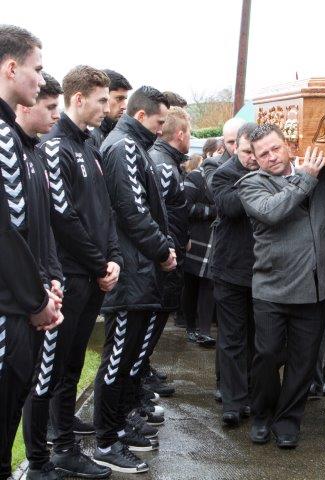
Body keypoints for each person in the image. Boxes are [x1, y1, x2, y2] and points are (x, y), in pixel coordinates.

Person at [24, 65, 122, 480]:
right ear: (78, 99)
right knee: (54, 368)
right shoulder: (56, 147)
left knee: (70, 364)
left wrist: (112, 256)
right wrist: (100, 264)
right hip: (70, 276)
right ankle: (54, 449)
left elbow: (103, 210)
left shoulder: (89, 147)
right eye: (102, 100)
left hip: (94, 275)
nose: (106, 108)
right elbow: (62, 217)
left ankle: (64, 443)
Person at [93, 86, 174, 474]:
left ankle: (119, 428)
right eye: (159, 122)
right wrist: (163, 250)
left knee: (128, 360)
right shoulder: (124, 146)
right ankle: (106, 440)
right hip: (129, 272)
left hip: (138, 271)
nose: (163, 130)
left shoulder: (131, 144)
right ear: (142, 117)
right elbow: (133, 211)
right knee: (118, 359)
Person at [237, 124, 325, 449]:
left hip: (313, 289)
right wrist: (305, 178)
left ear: (288, 145)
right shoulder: (251, 184)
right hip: (271, 289)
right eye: (263, 153)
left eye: (275, 148)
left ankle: (288, 421)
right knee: (267, 355)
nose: (271, 157)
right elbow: (272, 212)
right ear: (256, 158)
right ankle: (262, 415)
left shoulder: (318, 172)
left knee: (303, 361)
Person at [0, 25, 63, 480]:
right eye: (37, 69)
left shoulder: (19, 141)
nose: (42, 81)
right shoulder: (4, 137)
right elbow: (7, 233)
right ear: (11, 67)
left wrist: (46, 281)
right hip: (9, 309)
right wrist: (37, 301)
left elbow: (35, 227)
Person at [211, 122, 258, 427]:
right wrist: (259, 181)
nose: (253, 157)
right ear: (234, 147)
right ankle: (232, 400)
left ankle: (251, 396)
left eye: (257, 152)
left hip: (261, 271)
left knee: (257, 339)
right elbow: (229, 206)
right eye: (246, 151)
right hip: (229, 269)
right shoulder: (224, 174)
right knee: (231, 339)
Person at [146, 106, 193, 394]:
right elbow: (157, 212)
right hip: (164, 257)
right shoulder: (164, 164)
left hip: (171, 250)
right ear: (180, 134)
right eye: (190, 133)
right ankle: (140, 375)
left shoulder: (168, 161)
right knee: (155, 316)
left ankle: (143, 368)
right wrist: (170, 245)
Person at [182, 154, 216, 345]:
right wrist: (212, 211)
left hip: (214, 241)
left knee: (209, 285)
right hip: (196, 240)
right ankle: (190, 326)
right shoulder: (195, 177)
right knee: (191, 285)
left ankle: (204, 331)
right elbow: (185, 207)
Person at [89, 69, 131, 149]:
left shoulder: (122, 134)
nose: (124, 106)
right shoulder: (90, 135)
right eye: (119, 98)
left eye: (124, 99)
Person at [202, 117, 245, 196]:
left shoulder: (259, 159)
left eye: (240, 141)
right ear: (224, 142)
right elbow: (215, 190)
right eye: (231, 142)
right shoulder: (212, 163)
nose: (236, 146)